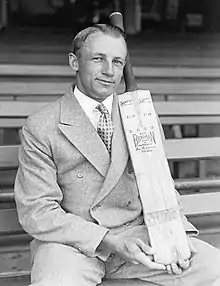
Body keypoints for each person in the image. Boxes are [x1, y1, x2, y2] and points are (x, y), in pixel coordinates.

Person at [14, 24, 220, 286]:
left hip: (140, 238)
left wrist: (176, 236)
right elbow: (38, 211)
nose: (109, 71)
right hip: (73, 244)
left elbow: (162, 184)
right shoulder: (42, 125)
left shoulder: (141, 117)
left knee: (215, 269)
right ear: (74, 62)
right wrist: (108, 240)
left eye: (117, 62)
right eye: (98, 59)